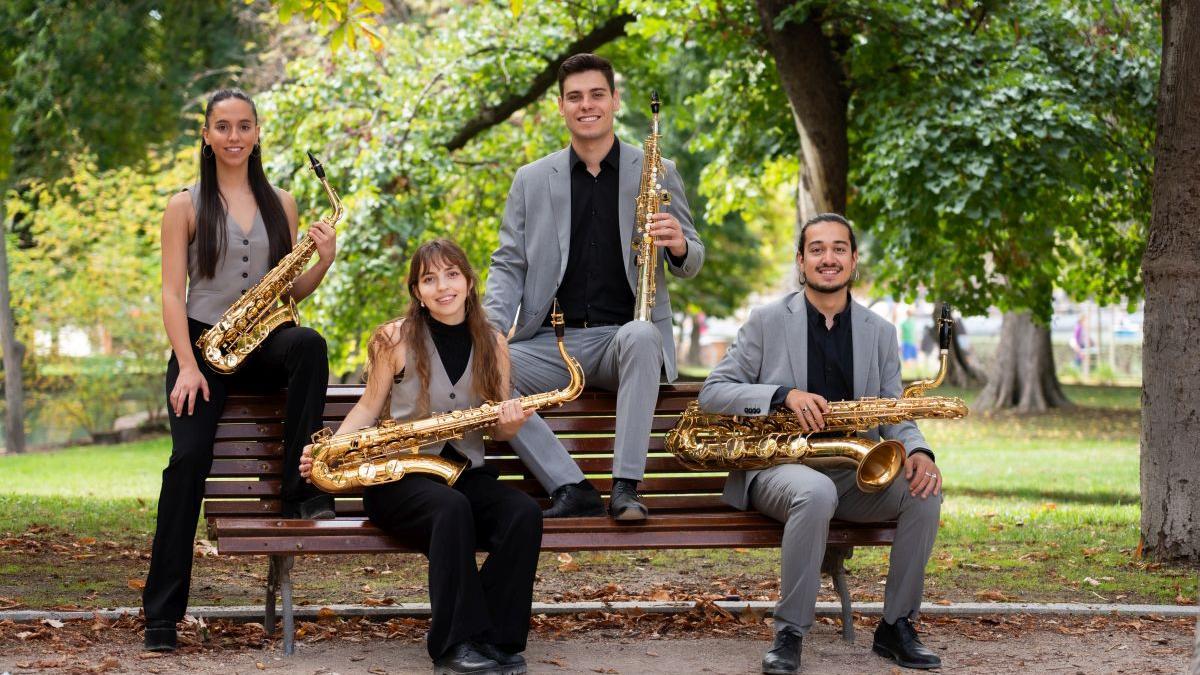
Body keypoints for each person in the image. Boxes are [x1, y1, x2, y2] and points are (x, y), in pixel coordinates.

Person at [698, 214, 944, 673]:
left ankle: (896, 627)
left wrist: (919, 452)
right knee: (816, 492)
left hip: (854, 470)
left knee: (923, 490)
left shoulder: (880, 332)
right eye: (817, 249)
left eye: (838, 249)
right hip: (777, 468)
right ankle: (789, 632)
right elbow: (713, 392)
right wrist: (781, 396)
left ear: (853, 260)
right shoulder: (766, 321)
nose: (827, 258)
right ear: (801, 261)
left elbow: (894, 411)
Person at [144, 88, 336, 652]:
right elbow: (171, 293)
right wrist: (186, 364)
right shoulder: (184, 204)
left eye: (244, 126)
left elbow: (293, 289)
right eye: (222, 127)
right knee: (187, 463)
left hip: (265, 338)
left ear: (257, 134)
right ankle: (162, 615)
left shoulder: (283, 200)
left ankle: (301, 490)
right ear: (206, 135)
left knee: (309, 343)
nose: (234, 137)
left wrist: (322, 259)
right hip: (204, 347)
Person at [302, 239, 541, 675]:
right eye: (429, 279)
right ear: (417, 291)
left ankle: (494, 638)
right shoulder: (392, 338)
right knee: (451, 509)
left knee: (524, 514)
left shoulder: (493, 342)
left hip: (465, 472)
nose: (442, 286)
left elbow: (500, 430)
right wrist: (330, 450)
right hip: (399, 478)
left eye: (452, 275)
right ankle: (453, 645)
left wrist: (512, 420)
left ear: (469, 283)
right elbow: (368, 408)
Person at [484, 53, 705, 520]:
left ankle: (626, 486)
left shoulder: (656, 170)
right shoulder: (529, 180)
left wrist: (680, 244)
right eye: (575, 97)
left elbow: (693, 262)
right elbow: (508, 265)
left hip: (623, 341)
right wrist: (490, 333)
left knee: (643, 334)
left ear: (615, 101)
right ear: (561, 107)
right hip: (551, 342)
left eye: (597, 94)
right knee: (482, 365)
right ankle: (571, 486)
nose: (587, 105)